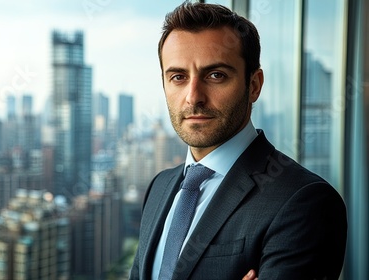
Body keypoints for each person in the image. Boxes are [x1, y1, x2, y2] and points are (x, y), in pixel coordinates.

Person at [129, 2, 347, 280]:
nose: (193, 96)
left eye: (216, 75)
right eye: (178, 77)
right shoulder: (159, 187)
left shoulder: (304, 202)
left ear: (254, 85)